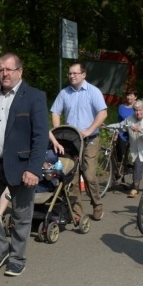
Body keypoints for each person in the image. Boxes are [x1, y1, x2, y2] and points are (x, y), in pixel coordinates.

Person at [0, 53, 48, 276]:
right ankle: (0, 249)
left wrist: (33, 168)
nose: (5, 73)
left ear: (20, 71)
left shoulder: (34, 97)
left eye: (9, 69)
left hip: (22, 166)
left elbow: (40, 137)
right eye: (1, 69)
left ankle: (18, 257)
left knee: (21, 214)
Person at [51, 62, 107, 221]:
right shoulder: (64, 93)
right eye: (69, 73)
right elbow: (55, 112)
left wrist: (89, 130)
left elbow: (102, 113)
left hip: (90, 140)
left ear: (84, 75)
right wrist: (58, 132)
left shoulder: (93, 92)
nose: (71, 76)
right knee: (72, 177)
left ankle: (97, 204)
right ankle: (77, 213)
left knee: (89, 175)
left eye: (75, 73)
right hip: (70, 141)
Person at [106, 99, 143, 197]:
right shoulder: (130, 119)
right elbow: (121, 126)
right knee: (137, 167)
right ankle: (135, 189)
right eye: (136, 110)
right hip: (137, 149)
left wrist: (141, 130)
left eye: (140, 110)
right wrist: (108, 126)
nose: (137, 112)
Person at [115, 89, 137, 172]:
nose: (129, 97)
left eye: (131, 95)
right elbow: (118, 121)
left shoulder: (137, 107)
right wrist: (116, 133)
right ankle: (121, 169)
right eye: (128, 95)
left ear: (135, 97)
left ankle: (133, 169)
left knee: (132, 154)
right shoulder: (121, 107)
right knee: (121, 153)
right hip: (122, 133)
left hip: (133, 133)